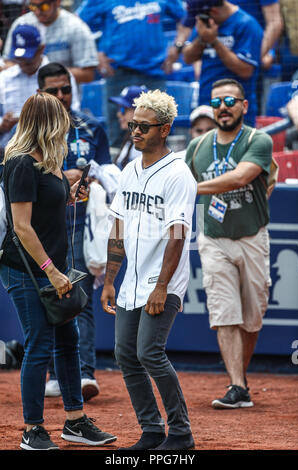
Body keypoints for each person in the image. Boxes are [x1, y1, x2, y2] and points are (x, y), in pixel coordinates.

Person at [0, 92, 117, 450]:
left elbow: (43, 207)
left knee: (67, 343)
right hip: (27, 270)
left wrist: (68, 194)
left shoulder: (49, 161)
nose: (68, 123)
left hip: (52, 266)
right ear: (49, 123)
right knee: (40, 345)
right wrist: (52, 271)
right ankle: (33, 429)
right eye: (62, 118)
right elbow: (21, 226)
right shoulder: (21, 162)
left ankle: (75, 421)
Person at [101, 89, 196, 451]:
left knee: (149, 353)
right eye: (132, 124)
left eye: (144, 126)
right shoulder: (129, 170)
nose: (135, 131)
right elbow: (118, 227)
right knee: (126, 354)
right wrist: (110, 280)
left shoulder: (178, 174)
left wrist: (162, 287)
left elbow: (178, 234)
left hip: (163, 281)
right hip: (131, 281)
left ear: (165, 129)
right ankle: (152, 430)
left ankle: (181, 433)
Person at [186, 78, 273, 409]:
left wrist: (193, 189)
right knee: (224, 312)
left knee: (253, 316)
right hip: (213, 237)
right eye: (217, 102)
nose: (223, 107)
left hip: (252, 236)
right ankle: (237, 385)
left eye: (230, 101)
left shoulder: (258, 139)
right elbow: (179, 182)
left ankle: (241, 377)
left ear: (244, 106)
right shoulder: (197, 146)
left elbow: (242, 177)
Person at [37, 62, 111, 401]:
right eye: (53, 90)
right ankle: (53, 372)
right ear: (40, 93)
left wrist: (93, 179)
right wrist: (59, 178)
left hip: (81, 219)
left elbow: (110, 173)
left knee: (79, 290)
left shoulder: (92, 127)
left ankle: (84, 373)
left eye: (66, 88)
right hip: (42, 223)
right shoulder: (30, 131)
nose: (61, 96)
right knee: (48, 292)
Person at [76, 0, 186, 148]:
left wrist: (177, 46)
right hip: (117, 72)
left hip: (154, 71)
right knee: (118, 134)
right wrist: (95, 54)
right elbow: (77, 23)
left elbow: (186, 17)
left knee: (158, 132)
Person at [178, 0, 263, 127]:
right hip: (207, 105)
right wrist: (201, 39)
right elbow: (187, 58)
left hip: (235, 108)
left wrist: (214, 42)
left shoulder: (246, 24)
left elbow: (246, 70)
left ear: (213, 11)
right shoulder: (206, 23)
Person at [0, 24, 80, 157]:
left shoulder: (59, 76)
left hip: (55, 149)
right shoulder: (4, 79)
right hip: (10, 153)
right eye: (19, 58)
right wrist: (3, 124)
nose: (23, 62)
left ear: (41, 49)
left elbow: (73, 112)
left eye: (28, 57)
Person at [2, 0, 98, 83]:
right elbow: (7, 63)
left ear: (57, 2)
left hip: (61, 96)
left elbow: (88, 74)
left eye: (44, 6)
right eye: (33, 6)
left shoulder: (76, 27)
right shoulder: (21, 24)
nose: (38, 11)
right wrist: (29, 69)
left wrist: (49, 74)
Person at [109, 85, 148, 169]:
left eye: (123, 109)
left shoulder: (146, 145)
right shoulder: (130, 138)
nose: (119, 114)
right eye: (119, 109)